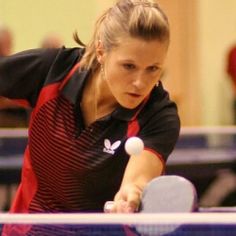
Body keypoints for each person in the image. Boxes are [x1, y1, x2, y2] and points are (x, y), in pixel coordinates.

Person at [1, 0, 180, 235]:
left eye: (153, 69)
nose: (140, 82)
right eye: (128, 66)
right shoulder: (53, 71)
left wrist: (131, 193)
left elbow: (137, 178)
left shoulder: (158, 114)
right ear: (101, 51)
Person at [0, 23, 29, 127]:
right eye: (5, 43)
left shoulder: (14, 64)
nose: (9, 46)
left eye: (9, 42)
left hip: (18, 116)